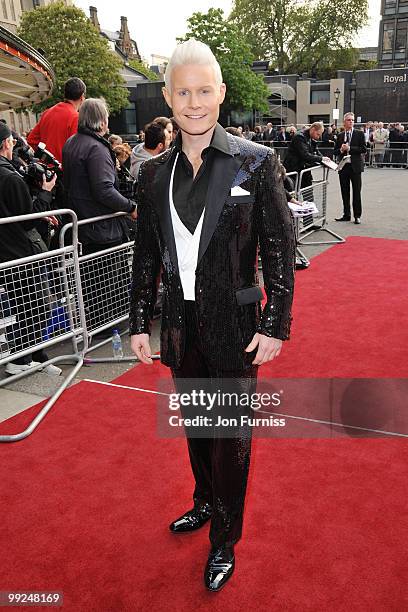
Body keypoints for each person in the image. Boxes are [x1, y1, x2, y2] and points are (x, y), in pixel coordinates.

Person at [129, 39, 295, 592]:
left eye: (204, 90)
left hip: (238, 328)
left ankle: (225, 536)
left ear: (220, 93)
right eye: (183, 92)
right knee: (199, 426)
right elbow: (147, 254)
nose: (194, 102)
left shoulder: (256, 160)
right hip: (180, 324)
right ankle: (205, 500)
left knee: (232, 437)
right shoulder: (152, 175)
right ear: (168, 97)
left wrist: (276, 325)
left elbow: (278, 246)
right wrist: (137, 323)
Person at [63, 98, 137, 330]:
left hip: (86, 225)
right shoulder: (96, 148)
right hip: (101, 228)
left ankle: (100, 324)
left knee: (92, 282)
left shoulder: (72, 143)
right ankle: (108, 326)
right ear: (103, 121)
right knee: (107, 281)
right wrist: (131, 207)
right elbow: (104, 190)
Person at [0, 122, 61, 376]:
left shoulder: (10, 174)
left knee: (23, 305)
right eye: (12, 141)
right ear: (5, 143)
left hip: (8, 250)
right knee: (36, 304)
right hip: (17, 252)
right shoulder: (10, 177)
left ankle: (34, 355)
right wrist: (45, 195)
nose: (15, 144)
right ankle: (22, 359)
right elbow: (26, 220)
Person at [27, 77, 86, 163]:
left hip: (46, 170)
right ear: (82, 97)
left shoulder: (47, 113)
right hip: (64, 170)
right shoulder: (76, 117)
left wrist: (44, 157)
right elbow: (76, 151)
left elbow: (31, 140)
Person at [334, 112, 367, 224]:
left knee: (356, 192)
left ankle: (357, 215)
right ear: (344, 122)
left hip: (355, 167)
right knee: (345, 191)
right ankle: (346, 214)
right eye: (348, 120)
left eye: (352, 120)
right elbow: (335, 151)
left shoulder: (359, 134)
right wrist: (341, 150)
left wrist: (350, 148)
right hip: (343, 167)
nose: (351, 122)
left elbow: (363, 149)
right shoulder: (340, 135)